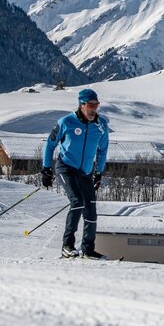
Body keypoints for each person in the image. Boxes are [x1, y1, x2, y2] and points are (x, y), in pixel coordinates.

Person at [41, 88, 110, 259]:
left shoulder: (101, 125)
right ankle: (67, 246)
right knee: (77, 201)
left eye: (96, 105)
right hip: (66, 167)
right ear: (82, 105)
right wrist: (46, 169)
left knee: (91, 210)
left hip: (86, 172)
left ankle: (88, 250)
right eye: (91, 105)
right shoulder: (66, 122)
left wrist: (99, 172)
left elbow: (103, 150)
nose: (94, 109)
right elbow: (50, 145)